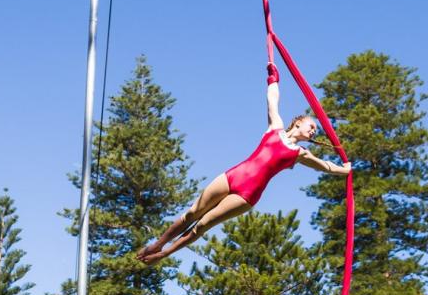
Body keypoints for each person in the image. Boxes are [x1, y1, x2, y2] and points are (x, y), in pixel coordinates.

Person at [137, 64, 351, 265]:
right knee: (193, 213)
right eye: (311, 126)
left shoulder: (300, 153)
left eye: (315, 130)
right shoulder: (275, 128)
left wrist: (345, 169)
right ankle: (157, 244)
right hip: (233, 176)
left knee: (202, 225)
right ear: (297, 122)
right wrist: (273, 77)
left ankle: (164, 254)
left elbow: (325, 166)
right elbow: (272, 100)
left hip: (247, 194)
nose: (314, 131)